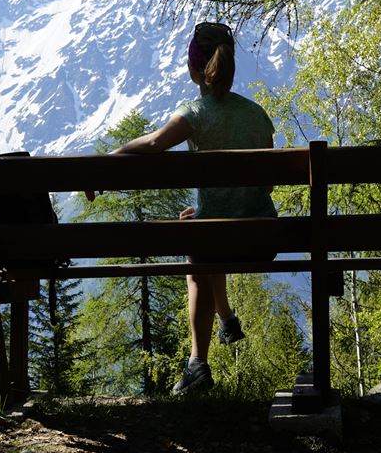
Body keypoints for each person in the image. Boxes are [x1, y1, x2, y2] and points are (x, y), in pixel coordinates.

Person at [87, 21, 276, 394]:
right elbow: (265, 184)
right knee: (205, 233)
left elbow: (156, 143)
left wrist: (110, 159)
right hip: (263, 236)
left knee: (200, 249)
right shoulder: (257, 115)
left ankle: (197, 363)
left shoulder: (195, 113)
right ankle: (224, 320)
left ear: (195, 69)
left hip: (216, 241)